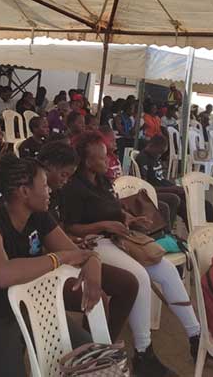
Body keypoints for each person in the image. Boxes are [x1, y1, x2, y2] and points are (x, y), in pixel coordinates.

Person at [0, 155, 103, 377]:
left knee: (90, 353)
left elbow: (79, 254)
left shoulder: (39, 217)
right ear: (24, 191)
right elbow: (0, 275)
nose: (50, 191)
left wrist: (93, 262)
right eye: (45, 184)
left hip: (28, 309)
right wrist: (59, 258)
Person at [57, 132, 200, 376]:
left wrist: (131, 219)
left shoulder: (102, 181)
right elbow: (70, 227)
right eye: (101, 157)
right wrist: (104, 226)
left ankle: (196, 335)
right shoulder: (73, 187)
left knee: (164, 268)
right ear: (86, 161)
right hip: (93, 243)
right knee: (139, 276)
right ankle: (144, 353)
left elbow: (115, 209)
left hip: (118, 238)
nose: (107, 160)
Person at [37, 142, 139, 339]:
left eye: (69, 175)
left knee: (128, 283)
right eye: (64, 175)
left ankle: (103, 344)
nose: (66, 180)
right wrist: (79, 249)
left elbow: (57, 230)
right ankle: (92, 348)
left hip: (64, 254)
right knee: (96, 296)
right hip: (46, 266)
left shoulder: (56, 192)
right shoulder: (37, 199)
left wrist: (79, 245)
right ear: (46, 167)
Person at [136, 135, 213, 227]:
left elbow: (160, 179)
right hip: (161, 192)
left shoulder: (154, 157)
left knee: (204, 204)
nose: (160, 155)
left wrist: (176, 186)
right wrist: (172, 189)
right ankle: (195, 230)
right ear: (152, 146)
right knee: (187, 208)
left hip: (169, 189)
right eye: (159, 152)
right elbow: (146, 187)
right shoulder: (143, 159)